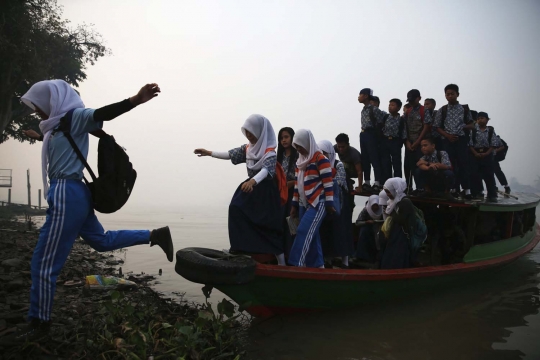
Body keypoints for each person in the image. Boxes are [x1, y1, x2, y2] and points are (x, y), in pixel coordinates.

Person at [5, 80, 173, 344]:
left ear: (53, 100)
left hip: (67, 193)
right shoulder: (59, 124)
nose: (38, 112)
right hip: (77, 194)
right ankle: (154, 235)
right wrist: (38, 136)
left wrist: (135, 100)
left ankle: (39, 323)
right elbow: (62, 144)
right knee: (101, 241)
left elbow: (101, 114)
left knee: (43, 264)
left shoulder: (75, 116)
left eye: (39, 106)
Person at [194, 114, 286, 264]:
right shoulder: (248, 149)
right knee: (236, 209)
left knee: (268, 225)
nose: (248, 135)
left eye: (251, 132)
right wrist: (209, 153)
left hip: (266, 192)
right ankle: (240, 248)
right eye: (246, 132)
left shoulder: (270, 152)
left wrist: (252, 182)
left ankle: (281, 260)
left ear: (260, 131)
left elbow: (266, 171)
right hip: (251, 189)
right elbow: (229, 154)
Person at [289, 130, 335, 268]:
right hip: (304, 203)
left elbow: (328, 183)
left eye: (300, 146)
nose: (298, 149)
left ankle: (297, 264)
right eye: (296, 146)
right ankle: (319, 266)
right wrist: (294, 205)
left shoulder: (320, 159)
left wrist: (329, 203)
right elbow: (297, 185)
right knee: (312, 235)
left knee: (303, 231)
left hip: (317, 202)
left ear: (307, 143)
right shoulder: (300, 161)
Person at [433, 84, 474, 200]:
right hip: (447, 140)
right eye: (447, 94)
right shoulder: (443, 110)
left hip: (461, 139)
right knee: (451, 165)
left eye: (452, 94)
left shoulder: (464, 109)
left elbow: (471, 124)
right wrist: (448, 136)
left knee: (463, 164)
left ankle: (467, 190)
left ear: (457, 94)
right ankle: (453, 189)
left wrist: (464, 127)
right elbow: (437, 126)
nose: (450, 96)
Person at [317, 140, 354, 269]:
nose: (323, 156)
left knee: (342, 231)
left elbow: (339, 181)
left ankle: (345, 262)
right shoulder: (318, 165)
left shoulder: (338, 165)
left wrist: (326, 183)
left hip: (340, 204)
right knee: (327, 231)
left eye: (325, 153)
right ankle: (328, 260)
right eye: (320, 153)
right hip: (326, 203)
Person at [379, 178, 416, 269]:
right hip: (395, 234)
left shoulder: (405, 202)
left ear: (395, 190)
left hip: (401, 235)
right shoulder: (394, 202)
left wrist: (391, 214)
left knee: (397, 258)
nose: (388, 195)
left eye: (389, 192)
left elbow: (401, 219)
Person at [358, 88, 388, 192]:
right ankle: (367, 182)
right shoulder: (364, 110)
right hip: (363, 134)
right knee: (365, 159)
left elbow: (381, 123)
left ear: (366, 96)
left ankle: (377, 182)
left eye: (360, 94)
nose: (358, 97)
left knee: (374, 158)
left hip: (372, 134)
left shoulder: (374, 109)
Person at [403, 89, 432, 192]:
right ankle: (408, 187)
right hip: (410, 143)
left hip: (421, 143)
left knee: (420, 165)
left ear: (419, 98)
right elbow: (405, 127)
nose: (410, 102)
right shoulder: (408, 111)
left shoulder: (424, 110)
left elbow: (426, 126)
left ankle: (421, 187)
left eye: (412, 99)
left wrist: (418, 142)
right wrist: (407, 142)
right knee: (408, 166)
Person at [277, 127, 299, 256]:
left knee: (292, 225)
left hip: (294, 194)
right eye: (281, 138)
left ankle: (294, 257)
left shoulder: (298, 155)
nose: (283, 140)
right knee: (280, 225)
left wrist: (289, 184)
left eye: (286, 137)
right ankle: (282, 256)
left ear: (292, 138)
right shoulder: (278, 157)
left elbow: (300, 177)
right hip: (280, 194)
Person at [468, 111, 499, 202]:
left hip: (487, 154)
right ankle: (476, 192)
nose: (480, 120)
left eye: (482, 118)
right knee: (474, 174)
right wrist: (475, 153)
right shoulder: (473, 130)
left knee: (489, 175)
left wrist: (486, 154)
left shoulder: (490, 130)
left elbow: (493, 144)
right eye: (478, 118)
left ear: (487, 120)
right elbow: (470, 144)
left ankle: (492, 195)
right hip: (475, 154)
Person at [380, 98, 406, 184]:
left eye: (393, 105)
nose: (390, 107)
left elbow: (403, 132)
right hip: (385, 141)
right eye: (389, 105)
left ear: (398, 108)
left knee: (397, 164)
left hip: (395, 142)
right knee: (386, 163)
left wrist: (400, 143)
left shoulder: (401, 119)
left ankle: (398, 184)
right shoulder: (386, 117)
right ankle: (387, 184)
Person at [334, 133, 363, 211]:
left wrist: (360, 186)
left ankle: (348, 183)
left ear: (348, 145)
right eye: (339, 147)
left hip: (354, 170)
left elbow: (359, 171)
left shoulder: (354, 153)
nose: (340, 149)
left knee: (341, 165)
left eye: (343, 147)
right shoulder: (335, 148)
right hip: (344, 170)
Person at [355, 195, 383, 263]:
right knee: (364, 232)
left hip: (378, 230)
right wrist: (366, 222)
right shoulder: (365, 210)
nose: (375, 207)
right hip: (367, 230)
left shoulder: (382, 210)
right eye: (374, 205)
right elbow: (357, 223)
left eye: (377, 205)